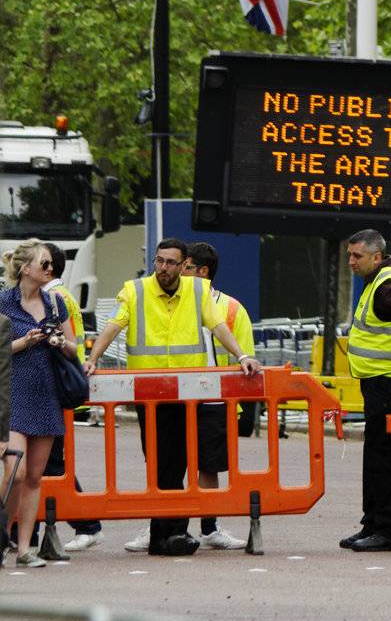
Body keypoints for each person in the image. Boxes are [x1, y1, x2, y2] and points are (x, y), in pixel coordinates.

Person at [85, 237, 260, 556]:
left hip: (185, 390)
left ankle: (170, 534)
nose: (163, 267)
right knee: (160, 463)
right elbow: (112, 326)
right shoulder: (135, 290)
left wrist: (242, 355)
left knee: (173, 463)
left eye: (170, 262)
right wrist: (93, 357)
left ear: (183, 266)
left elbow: (218, 326)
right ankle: (163, 534)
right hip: (148, 392)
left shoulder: (197, 291)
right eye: (159, 261)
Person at [335, 229, 391, 552]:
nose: (351, 261)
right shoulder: (379, 279)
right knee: (375, 455)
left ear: (376, 256)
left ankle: (387, 528)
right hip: (378, 383)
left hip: (389, 383)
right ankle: (372, 523)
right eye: (349, 255)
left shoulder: (388, 284)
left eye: (357, 256)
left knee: (386, 458)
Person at [2, 240, 80, 567]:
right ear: (25, 269)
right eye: (45, 265)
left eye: (51, 265)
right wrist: (25, 341)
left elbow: (74, 348)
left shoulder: (55, 302)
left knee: (35, 476)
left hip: (46, 393)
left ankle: (24, 549)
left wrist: (60, 342)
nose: (51, 270)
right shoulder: (4, 301)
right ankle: (3, 538)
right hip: (13, 394)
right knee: (14, 474)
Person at [180, 241, 252, 550]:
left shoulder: (232, 309)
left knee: (208, 466)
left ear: (202, 271)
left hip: (213, 399)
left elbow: (246, 357)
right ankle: (162, 524)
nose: (177, 272)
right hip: (174, 397)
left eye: (185, 267)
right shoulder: (169, 304)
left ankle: (209, 528)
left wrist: (237, 408)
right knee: (168, 466)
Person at [41, 241, 104, 554]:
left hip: (55, 386)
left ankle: (87, 525)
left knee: (49, 464)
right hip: (58, 385)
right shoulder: (59, 294)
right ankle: (12, 529)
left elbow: (65, 342)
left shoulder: (52, 297)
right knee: (39, 465)